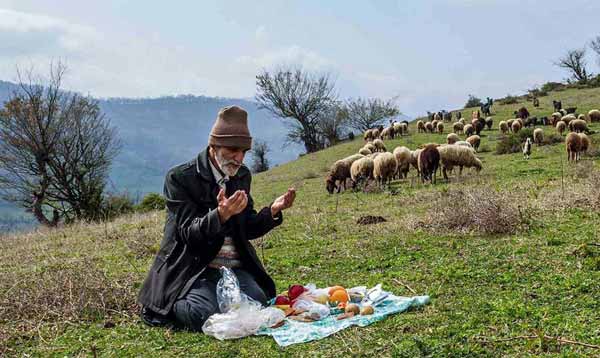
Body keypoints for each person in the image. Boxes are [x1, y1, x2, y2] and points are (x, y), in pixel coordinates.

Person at [138, 105, 296, 331]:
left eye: (244, 152)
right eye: (233, 150)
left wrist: (272, 211)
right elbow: (187, 233)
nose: (239, 158)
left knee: (258, 302)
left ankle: (222, 298)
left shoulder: (241, 175)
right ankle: (168, 304)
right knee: (202, 314)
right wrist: (220, 215)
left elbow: (247, 228)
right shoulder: (180, 178)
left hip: (233, 267)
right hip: (195, 268)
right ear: (214, 145)